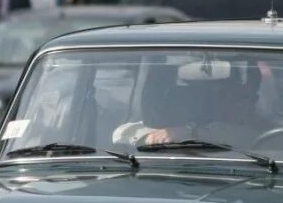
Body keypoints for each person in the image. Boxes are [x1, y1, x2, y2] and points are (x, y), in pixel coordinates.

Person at [112, 64, 271, 149]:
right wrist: (150, 138)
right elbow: (121, 135)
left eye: (240, 97)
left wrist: (190, 132)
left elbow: (242, 137)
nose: (232, 102)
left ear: (254, 100)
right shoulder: (164, 125)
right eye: (221, 95)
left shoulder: (265, 133)